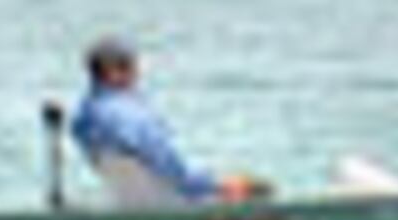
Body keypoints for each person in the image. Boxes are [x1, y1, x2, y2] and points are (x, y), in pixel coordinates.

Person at [65, 37, 261, 206]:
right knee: (257, 189)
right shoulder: (128, 115)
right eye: (132, 67)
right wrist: (217, 186)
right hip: (172, 202)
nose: (137, 74)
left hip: (131, 202)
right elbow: (170, 167)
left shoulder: (84, 117)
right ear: (113, 72)